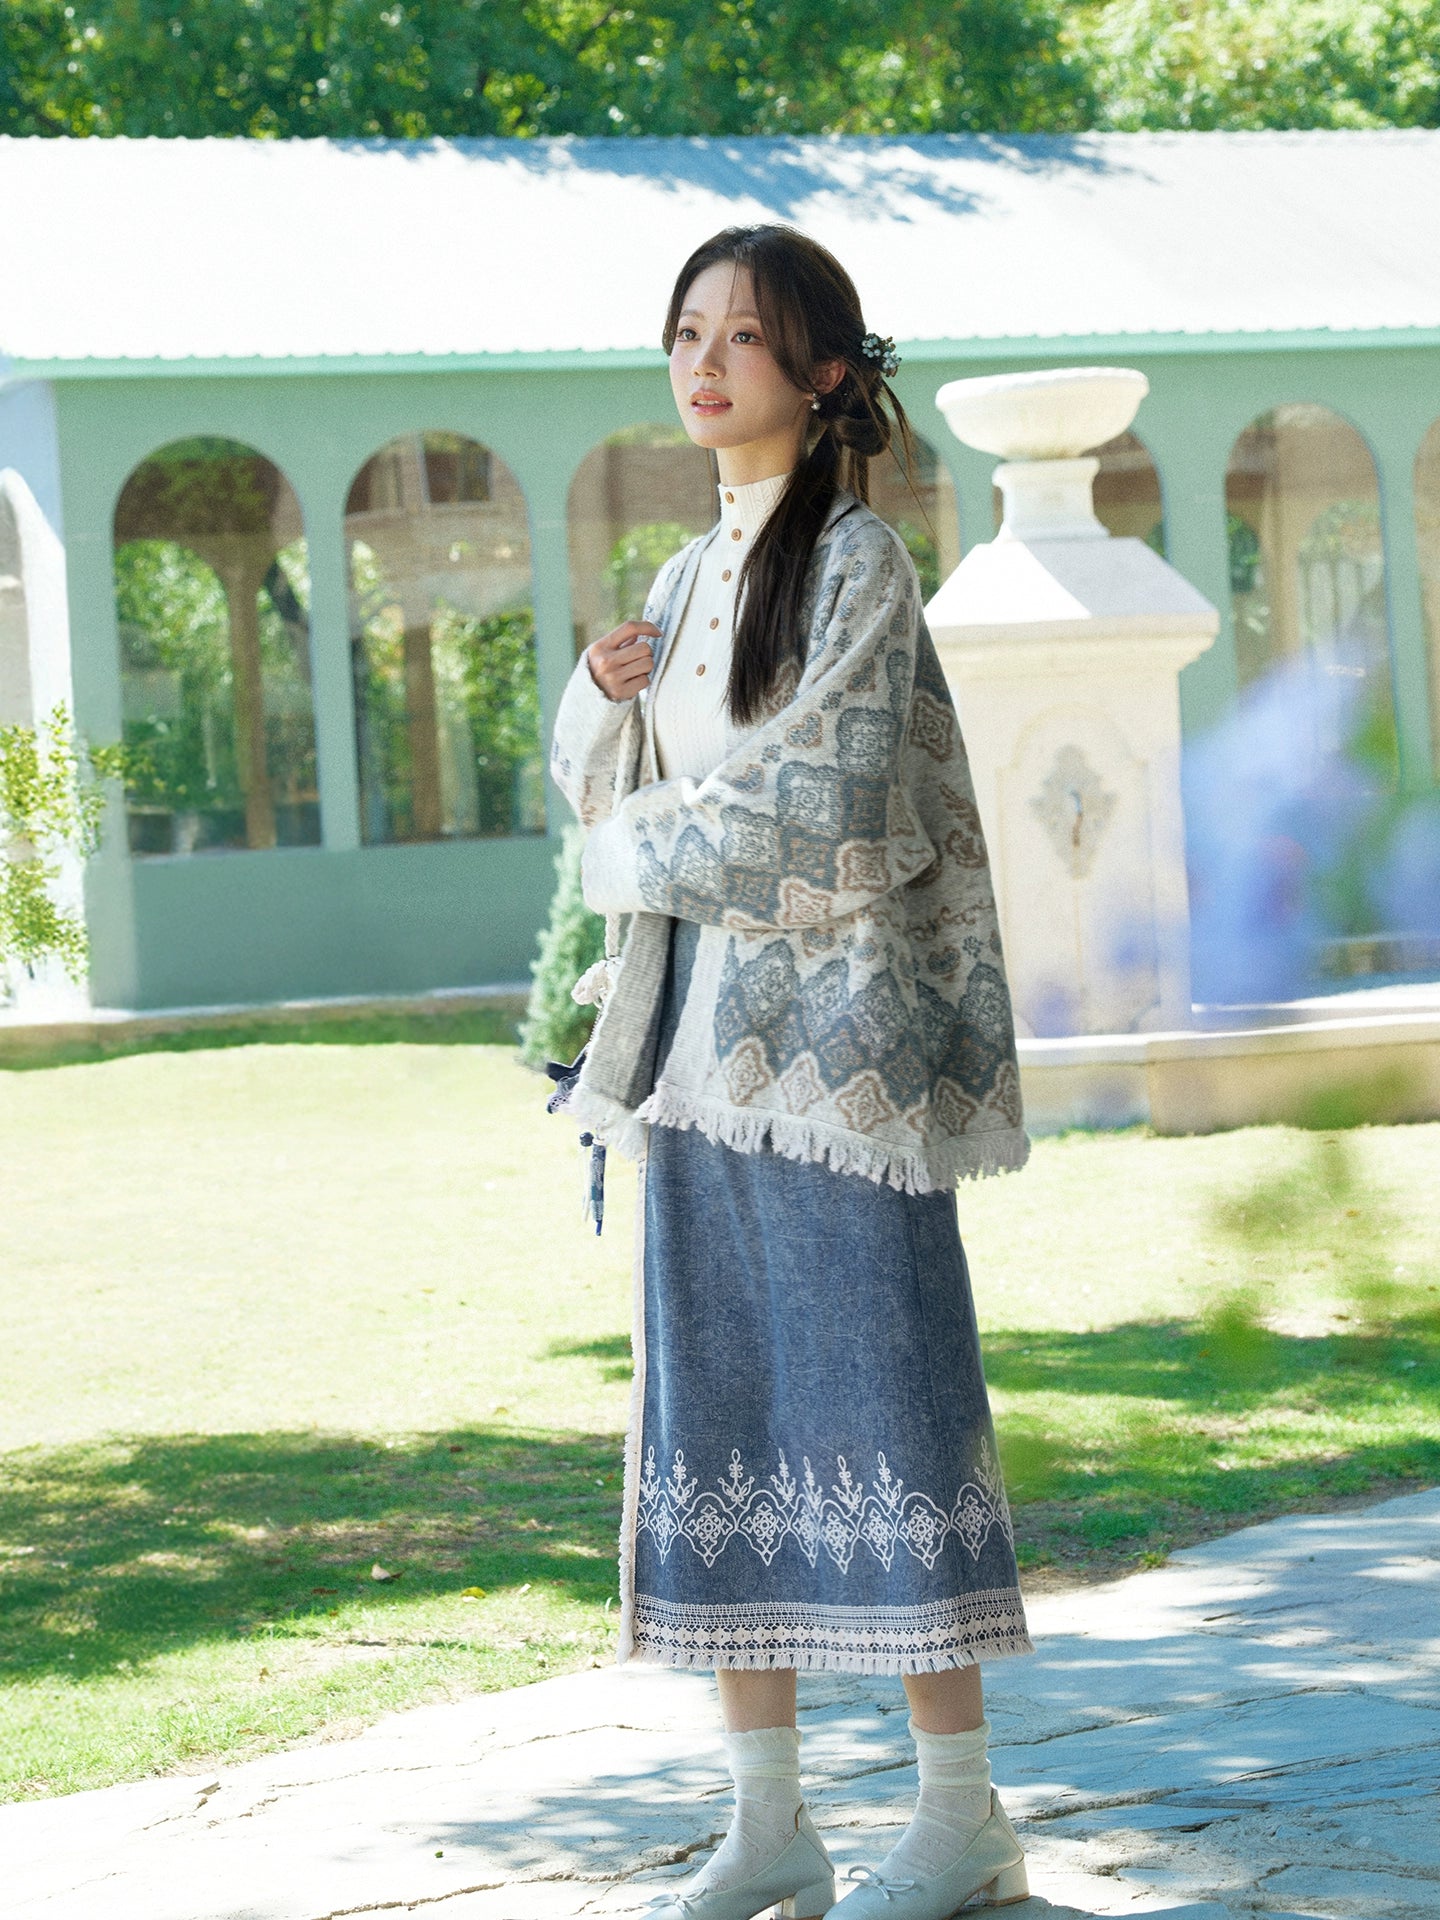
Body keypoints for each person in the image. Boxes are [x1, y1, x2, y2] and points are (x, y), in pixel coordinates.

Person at [548, 224, 1033, 1920]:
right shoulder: (685, 576)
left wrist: (631, 844)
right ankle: (772, 1821)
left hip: (838, 1077)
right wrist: (596, 699)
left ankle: (961, 1818)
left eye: (742, 336)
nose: (705, 362)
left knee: (883, 1410)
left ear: (823, 371)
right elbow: (621, 790)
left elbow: (830, 795)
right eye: (686, 331)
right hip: (696, 1065)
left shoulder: (857, 564)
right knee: (726, 1416)